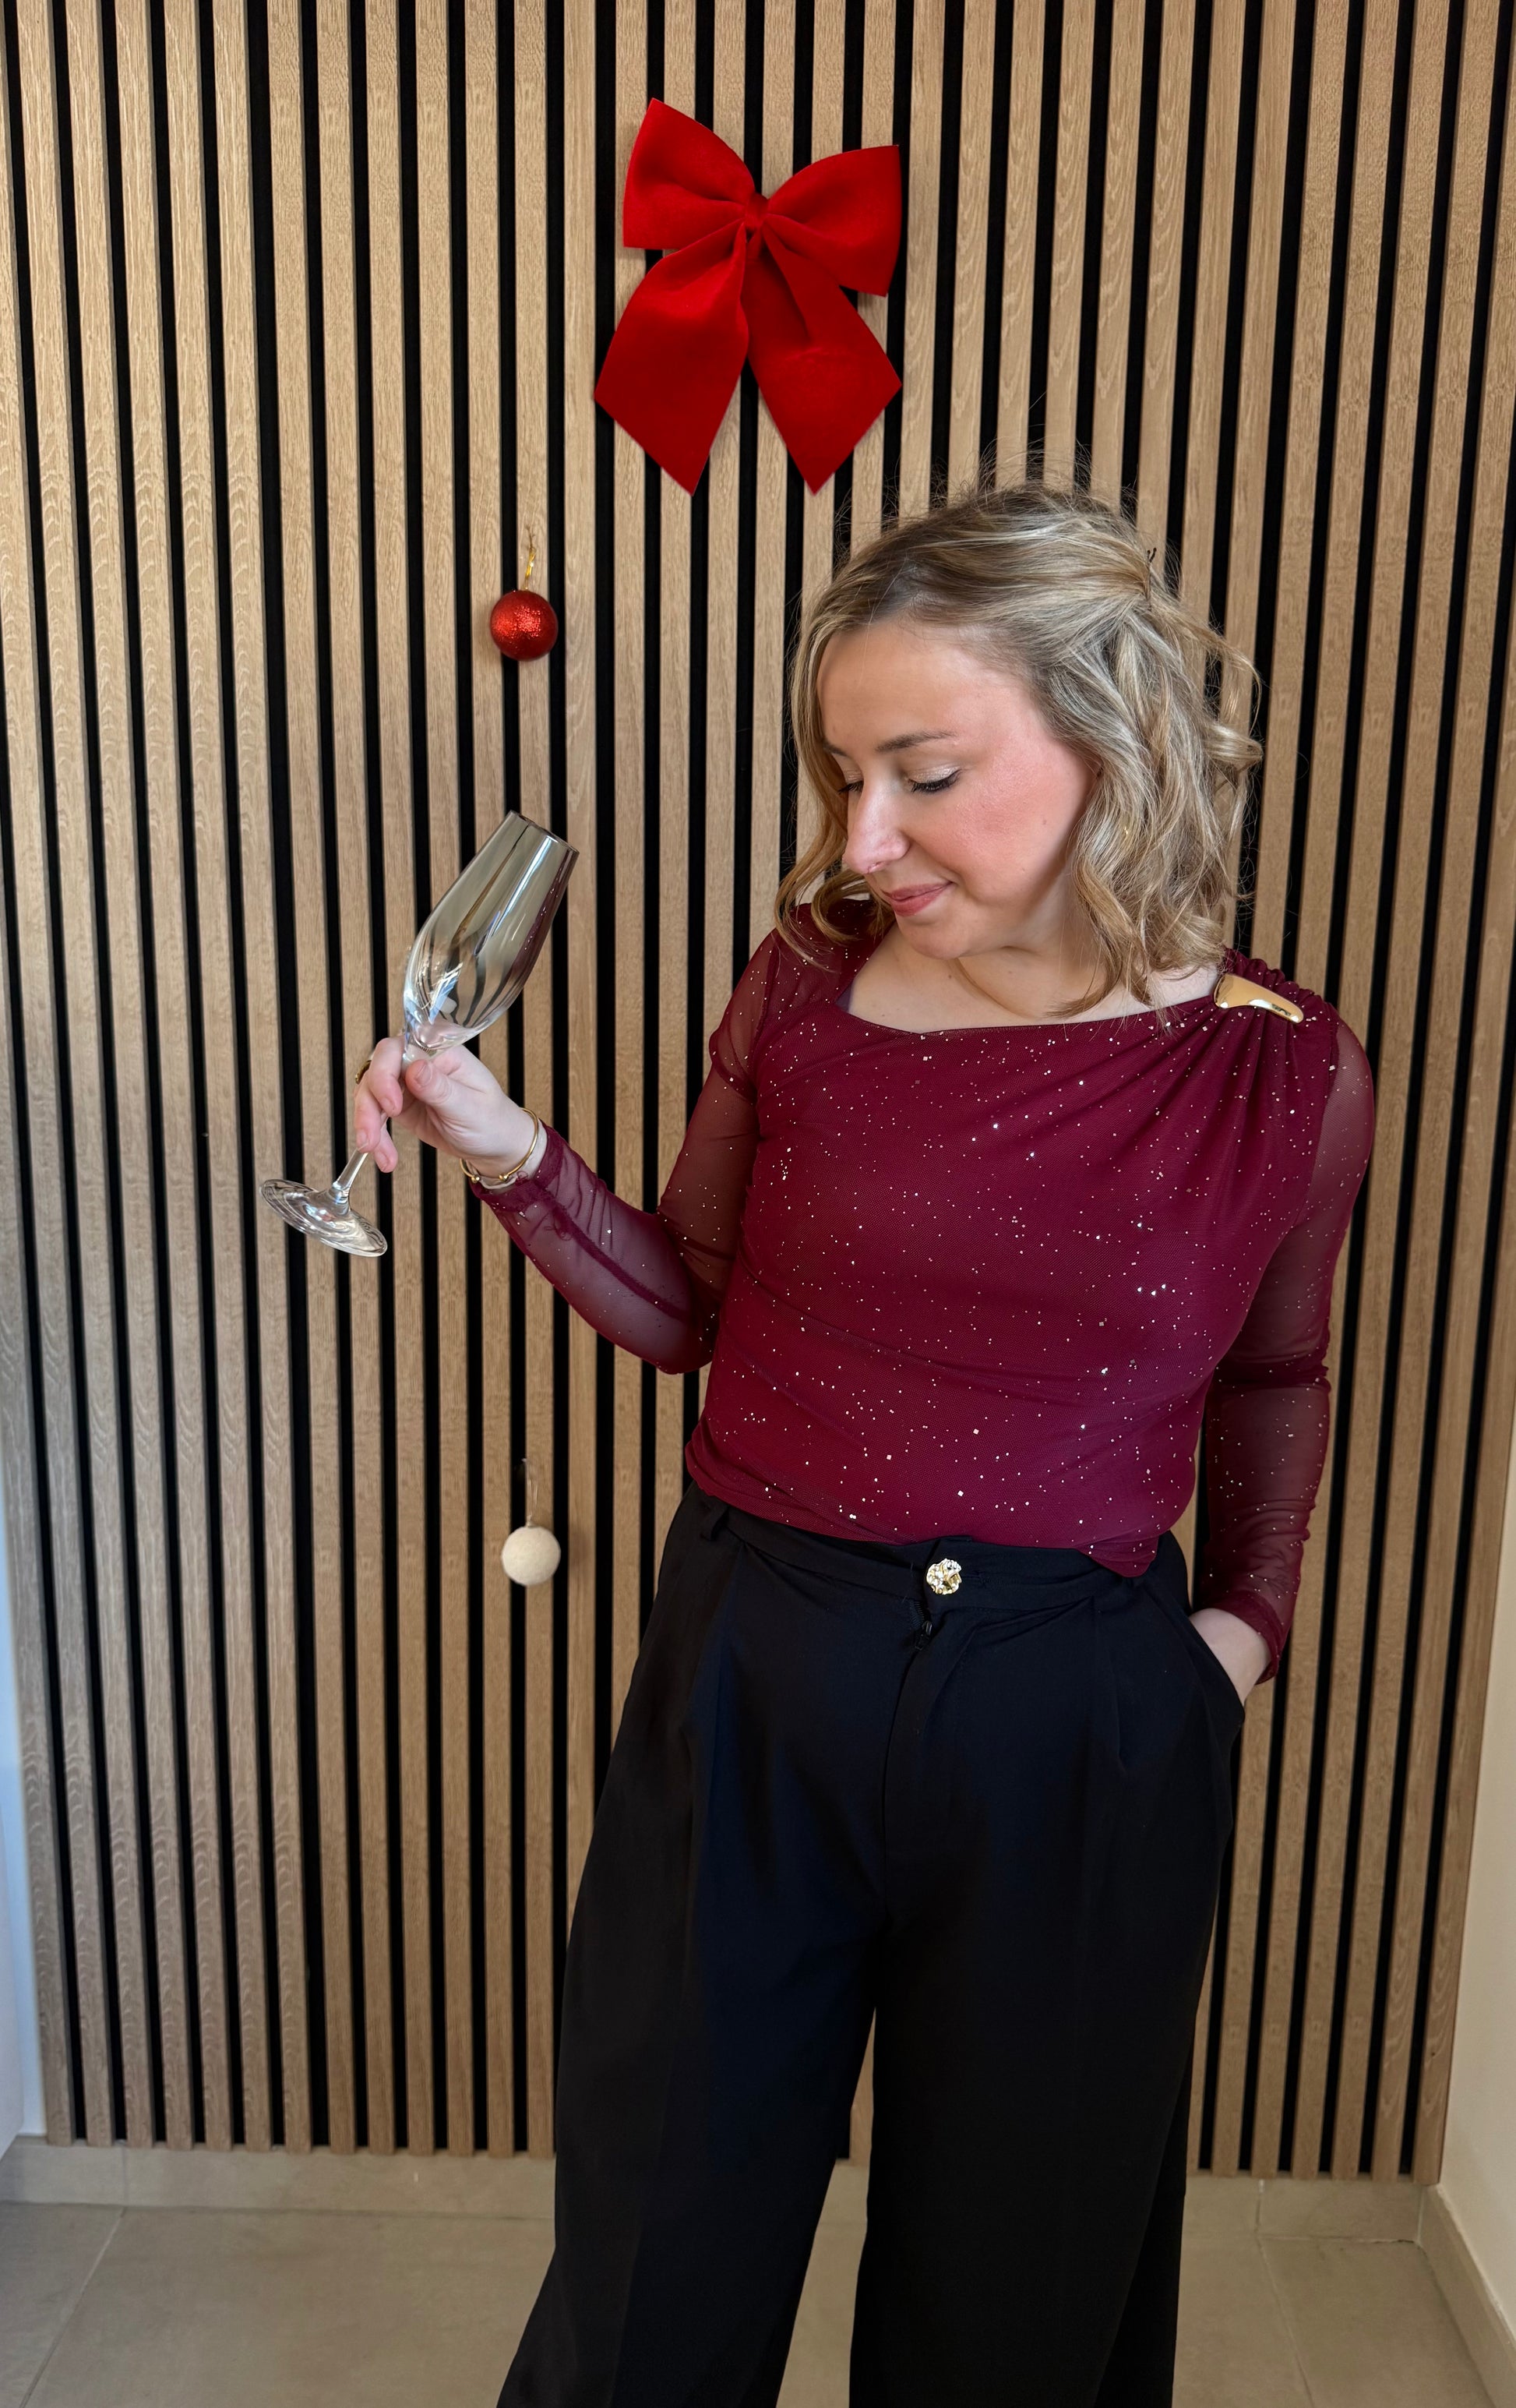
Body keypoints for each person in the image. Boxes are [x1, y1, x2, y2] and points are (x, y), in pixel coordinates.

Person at [354, 479, 1374, 2408]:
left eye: (923, 774)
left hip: (1082, 1711)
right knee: (654, 2268)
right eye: (841, 777)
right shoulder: (806, 987)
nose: (860, 839)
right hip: (756, 1667)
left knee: (1019, 2306)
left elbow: (1275, 1375)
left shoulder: (1282, 1070)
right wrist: (509, 1153)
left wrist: (1238, 1634)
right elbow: (689, 1311)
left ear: (1110, 741)